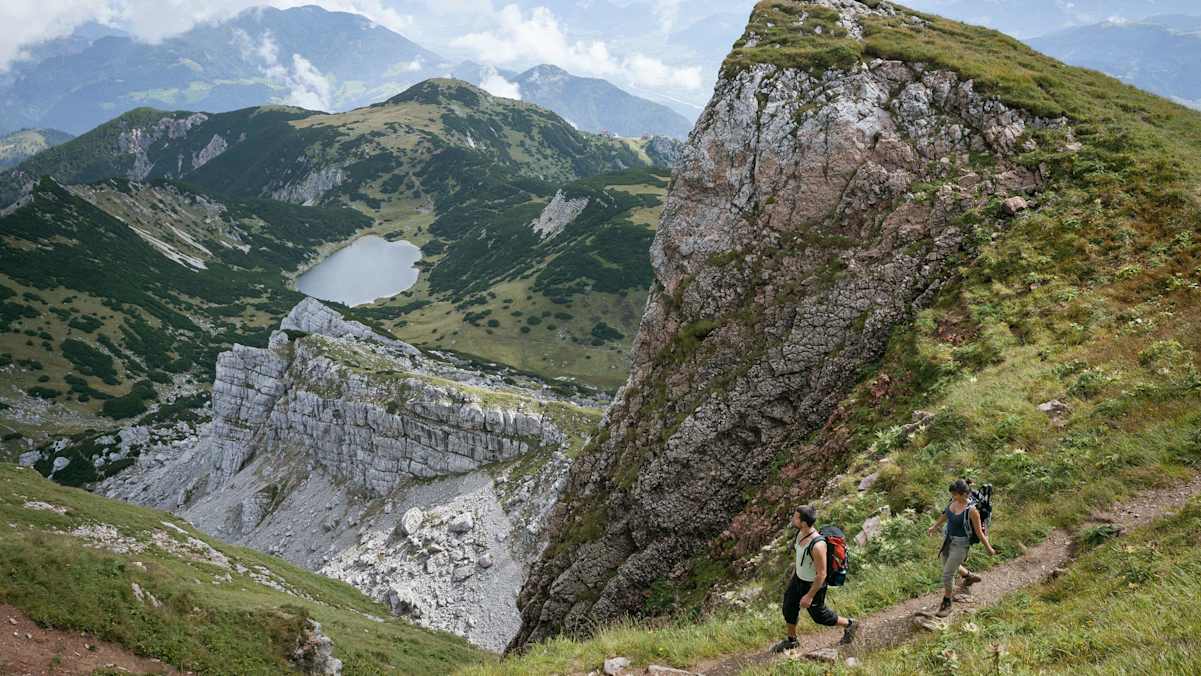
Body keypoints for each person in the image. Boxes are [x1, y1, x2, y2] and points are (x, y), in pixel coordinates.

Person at [771, 505, 858, 653]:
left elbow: (822, 574)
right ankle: (792, 641)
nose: (793, 518)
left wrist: (809, 596)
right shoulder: (800, 533)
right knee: (788, 607)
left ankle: (850, 624)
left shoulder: (818, 545)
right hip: (798, 579)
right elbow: (800, 559)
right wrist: (794, 577)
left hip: (813, 584)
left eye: (796, 517)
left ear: (804, 522)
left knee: (820, 616)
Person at [927, 479, 996, 617]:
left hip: (961, 544)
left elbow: (979, 533)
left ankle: (947, 603)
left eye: (955, 494)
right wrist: (935, 526)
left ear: (963, 494)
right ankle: (967, 576)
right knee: (946, 563)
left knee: (947, 574)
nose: (952, 496)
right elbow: (946, 514)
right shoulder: (953, 502)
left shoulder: (972, 511)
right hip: (948, 540)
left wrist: (989, 548)